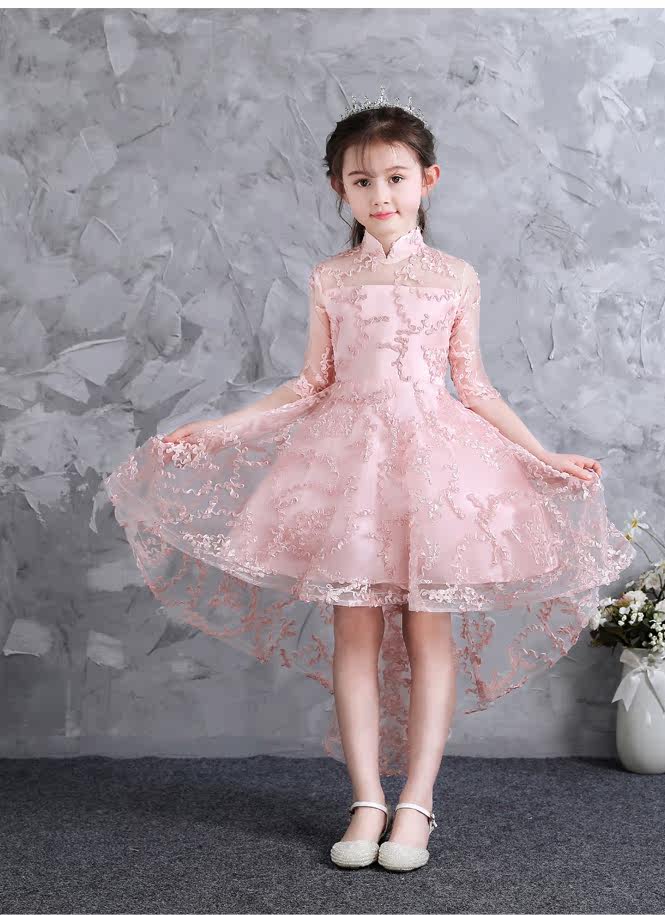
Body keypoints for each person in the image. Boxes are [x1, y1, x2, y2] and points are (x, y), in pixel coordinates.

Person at [103, 86, 636, 872]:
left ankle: (416, 801)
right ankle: (365, 799)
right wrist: (217, 429)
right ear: (339, 189)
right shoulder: (331, 277)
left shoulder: (454, 277)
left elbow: (474, 386)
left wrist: (544, 456)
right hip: (347, 467)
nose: (379, 194)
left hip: (435, 467)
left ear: (428, 180)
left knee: (429, 630)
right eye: (361, 180)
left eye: (395, 177)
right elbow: (309, 383)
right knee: (352, 630)